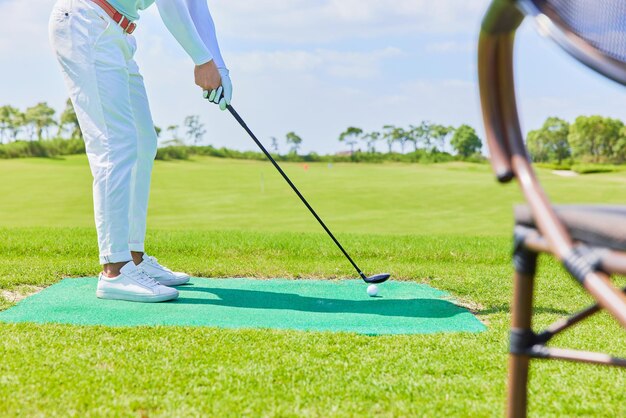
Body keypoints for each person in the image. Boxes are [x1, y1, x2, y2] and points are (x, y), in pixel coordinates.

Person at [48, 0, 232, 302]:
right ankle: (114, 269)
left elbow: (195, 5)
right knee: (114, 145)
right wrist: (202, 60)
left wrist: (218, 66)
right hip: (86, 22)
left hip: (116, 32)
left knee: (143, 141)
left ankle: (134, 258)